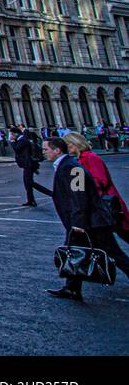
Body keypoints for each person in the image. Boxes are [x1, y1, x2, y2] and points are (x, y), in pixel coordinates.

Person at [34, 135, 116, 301]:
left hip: (92, 222)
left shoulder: (73, 168)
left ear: (57, 150)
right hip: (84, 220)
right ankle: (71, 288)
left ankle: (71, 288)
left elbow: (79, 196)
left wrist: (78, 223)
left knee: (115, 253)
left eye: (46, 149)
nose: (43, 152)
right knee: (73, 251)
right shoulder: (66, 165)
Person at [62, 132, 129, 274]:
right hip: (92, 211)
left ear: (75, 144)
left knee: (113, 247)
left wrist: (80, 193)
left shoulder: (90, 158)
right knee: (81, 247)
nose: (66, 149)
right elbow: (78, 188)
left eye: (67, 145)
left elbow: (100, 181)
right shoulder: (77, 162)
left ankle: (72, 286)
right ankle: (72, 286)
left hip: (104, 208)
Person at [10, 126, 41, 206]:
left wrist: (12, 141)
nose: (11, 136)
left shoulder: (22, 140)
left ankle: (48, 193)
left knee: (29, 183)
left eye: (12, 134)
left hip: (28, 164)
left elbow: (17, 149)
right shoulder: (22, 139)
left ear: (15, 134)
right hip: (27, 164)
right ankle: (31, 200)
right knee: (28, 183)